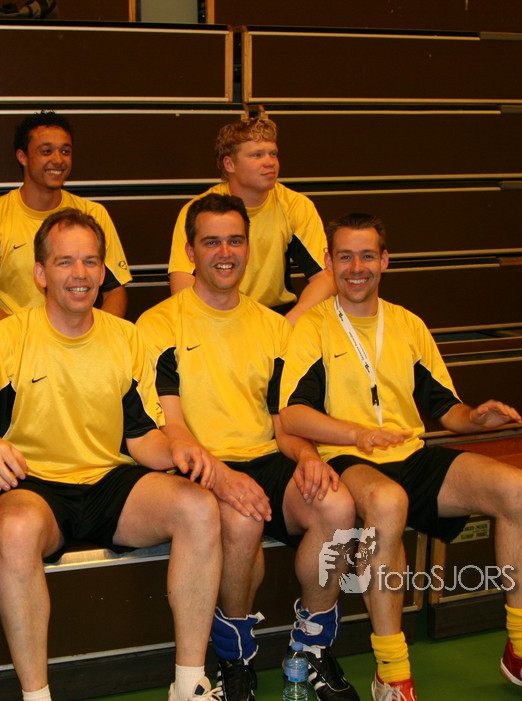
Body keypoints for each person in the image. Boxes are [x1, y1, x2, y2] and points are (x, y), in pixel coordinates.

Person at [279, 213, 522, 701]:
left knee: (517, 489)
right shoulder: (311, 328)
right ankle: (392, 673)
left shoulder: (407, 324)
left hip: (410, 453)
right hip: (347, 458)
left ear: (385, 260)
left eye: (367, 255)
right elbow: (293, 414)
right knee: (388, 501)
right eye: (345, 256)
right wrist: (357, 433)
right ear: (329, 263)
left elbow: (446, 409)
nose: (357, 267)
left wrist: (476, 418)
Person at [0, 208, 223, 701]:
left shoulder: (126, 337)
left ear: (102, 272)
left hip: (107, 483)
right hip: (33, 485)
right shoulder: (9, 339)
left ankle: (191, 685)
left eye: (91, 262)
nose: (80, 274)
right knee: (16, 529)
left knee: (199, 507)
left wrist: (179, 448)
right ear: (40, 273)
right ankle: (36, 695)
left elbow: (141, 437)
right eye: (65, 262)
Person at [137, 193, 360, 701]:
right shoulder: (159, 324)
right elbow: (172, 428)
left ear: (249, 248)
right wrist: (222, 477)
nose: (225, 253)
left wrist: (308, 457)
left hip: (267, 458)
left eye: (235, 241)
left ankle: (311, 647)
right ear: (190, 252)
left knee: (338, 506)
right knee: (242, 521)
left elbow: (284, 423)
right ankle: (235, 656)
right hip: (200, 464)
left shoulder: (274, 327)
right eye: (211, 242)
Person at [0, 110, 132, 330]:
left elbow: (115, 291)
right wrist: (28, 339)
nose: (58, 160)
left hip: (79, 336)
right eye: (46, 151)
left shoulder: (93, 213)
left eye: (65, 151)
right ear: (22, 157)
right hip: (17, 337)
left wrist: (98, 335)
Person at [167, 112, 334, 326]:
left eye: (273, 154)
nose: (270, 162)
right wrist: (212, 325)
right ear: (229, 164)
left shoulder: (296, 206)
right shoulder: (199, 211)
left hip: (277, 316)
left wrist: (287, 325)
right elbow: (181, 281)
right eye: (257, 155)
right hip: (216, 316)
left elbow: (325, 277)